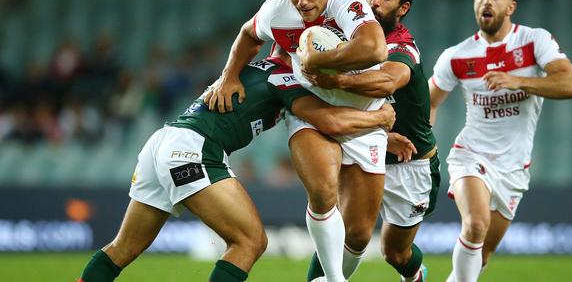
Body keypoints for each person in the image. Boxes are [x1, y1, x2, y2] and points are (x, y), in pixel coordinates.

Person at [76, 50, 396, 282]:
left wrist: (381, 138)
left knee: (123, 247)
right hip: (195, 149)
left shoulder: (264, 68)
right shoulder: (286, 79)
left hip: (164, 142)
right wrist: (379, 119)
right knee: (250, 241)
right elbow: (329, 121)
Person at [206, 0, 388, 282]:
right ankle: (333, 279)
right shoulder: (277, 10)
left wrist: (317, 61)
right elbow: (248, 35)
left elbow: (375, 49)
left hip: (363, 112)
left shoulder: (347, 4)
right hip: (310, 106)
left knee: (360, 233)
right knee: (322, 192)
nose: (302, 1)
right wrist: (228, 76)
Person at [428, 0, 572, 282]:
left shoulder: (534, 41)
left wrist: (517, 80)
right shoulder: (457, 57)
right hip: (471, 155)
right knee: (475, 225)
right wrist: (422, 150)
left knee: (482, 253)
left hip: (514, 168)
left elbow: (571, 85)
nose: (487, 1)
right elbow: (428, 103)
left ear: (511, 6)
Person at [303, 0, 439, 282]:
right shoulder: (350, 36)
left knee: (395, 253)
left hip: (411, 163)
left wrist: (333, 78)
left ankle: (415, 274)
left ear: (403, 9)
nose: (375, 1)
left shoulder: (402, 47)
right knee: (348, 232)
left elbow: (386, 82)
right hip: (367, 144)